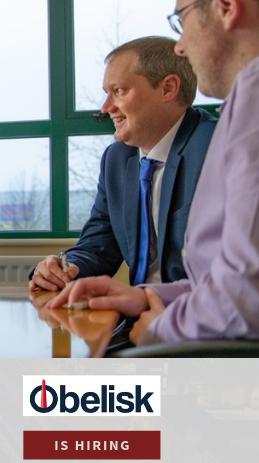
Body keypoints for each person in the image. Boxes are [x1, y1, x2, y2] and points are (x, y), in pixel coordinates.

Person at [51, 0, 259, 344]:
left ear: (226, 7)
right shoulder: (117, 158)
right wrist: (144, 295)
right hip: (172, 313)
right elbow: (219, 282)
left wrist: (161, 327)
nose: (180, 45)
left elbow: (243, 294)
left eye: (181, 20)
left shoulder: (221, 134)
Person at [30, 36, 217, 292]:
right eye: (106, 94)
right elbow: (98, 246)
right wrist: (64, 268)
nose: (106, 108)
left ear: (168, 89)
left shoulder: (219, 146)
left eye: (119, 91)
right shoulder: (116, 159)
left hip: (197, 309)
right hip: (138, 310)